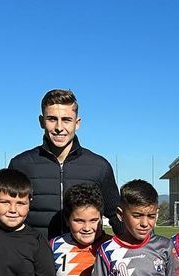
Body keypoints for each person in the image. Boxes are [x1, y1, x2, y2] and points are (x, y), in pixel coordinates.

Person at [7, 88, 120, 239]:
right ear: (41, 121)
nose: (59, 128)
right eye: (52, 119)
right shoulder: (20, 165)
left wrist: (146, 248)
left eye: (66, 120)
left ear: (77, 123)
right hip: (35, 258)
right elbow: (6, 214)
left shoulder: (99, 166)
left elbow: (117, 217)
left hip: (85, 260)